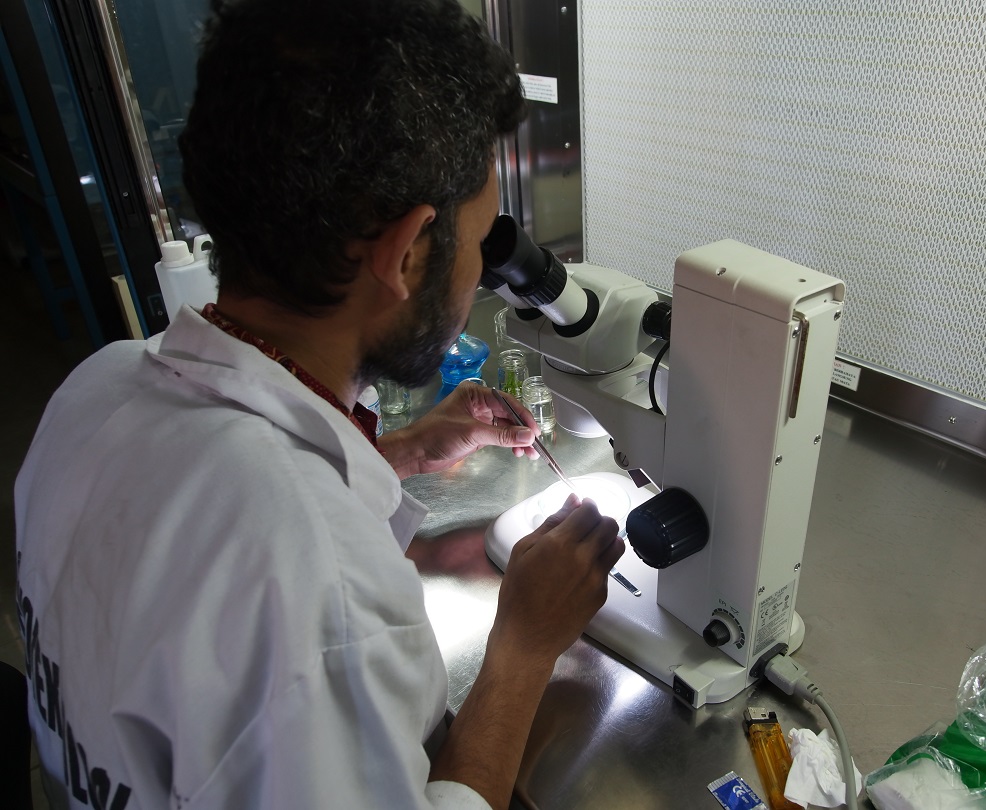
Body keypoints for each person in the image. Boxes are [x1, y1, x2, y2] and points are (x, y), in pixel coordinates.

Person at [13, 1, 624, 808]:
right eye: (479, 245)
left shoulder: (94, 389)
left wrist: (396, 452)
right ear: (406, 254)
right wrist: (524, 646)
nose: (480, 274)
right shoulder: (325, 595)